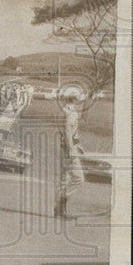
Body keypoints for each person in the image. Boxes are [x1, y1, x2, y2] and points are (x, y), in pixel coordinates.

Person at [55, 89, 86, 218]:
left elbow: (70, 133)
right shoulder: (71, 113)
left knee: (64, 178)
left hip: (64, 147)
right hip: (68, 149)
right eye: (80, 101)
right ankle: (60, 206)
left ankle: (60, 211)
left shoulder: (63, 111)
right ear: (74, 101)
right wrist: (71, 149)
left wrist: (77, 144)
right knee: (78, 178)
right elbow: (68, 133)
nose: (82, 104)